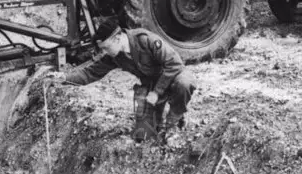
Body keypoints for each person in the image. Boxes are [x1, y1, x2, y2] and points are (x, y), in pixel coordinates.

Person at [52, 18, 195, 134]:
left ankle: (173, 122)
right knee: (145, 134)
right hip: (151, 87)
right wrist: (64, 78)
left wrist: (157, 92)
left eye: (107, 48)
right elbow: (90, 73)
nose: (106, 52)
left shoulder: (146, 40)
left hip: (173, 77)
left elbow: (174, 65)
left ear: (118, 37)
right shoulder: (115, 56)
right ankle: (159, 120)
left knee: (184, 84)